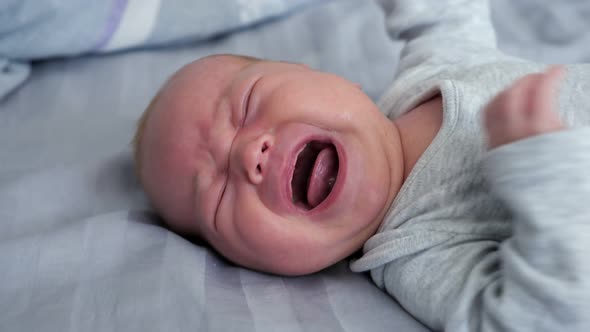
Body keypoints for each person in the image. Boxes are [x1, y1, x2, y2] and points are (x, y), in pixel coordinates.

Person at [133, 0, 590, 331]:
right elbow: (543, 316)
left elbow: (446, 14)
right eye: (217, 196)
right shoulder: (417, 253)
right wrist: (546, 179)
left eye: (248, 104)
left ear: (330, 78)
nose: (248, 155)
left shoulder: (435, 70)